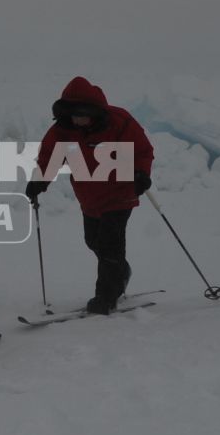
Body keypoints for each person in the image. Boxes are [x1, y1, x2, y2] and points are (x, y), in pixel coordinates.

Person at [24, 76, 155, 315]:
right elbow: (50, 156)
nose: (77, 120)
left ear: (93, 111)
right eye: (72, 114)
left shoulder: (120, 122)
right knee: (92, 241)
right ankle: (120, 272)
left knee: (109, 245)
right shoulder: (63, 129)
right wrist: (39, 181)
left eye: (81, 114)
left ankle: (105, 297)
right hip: (90, 198)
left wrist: (141, 174)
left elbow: (143, 151)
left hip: (119, 194)